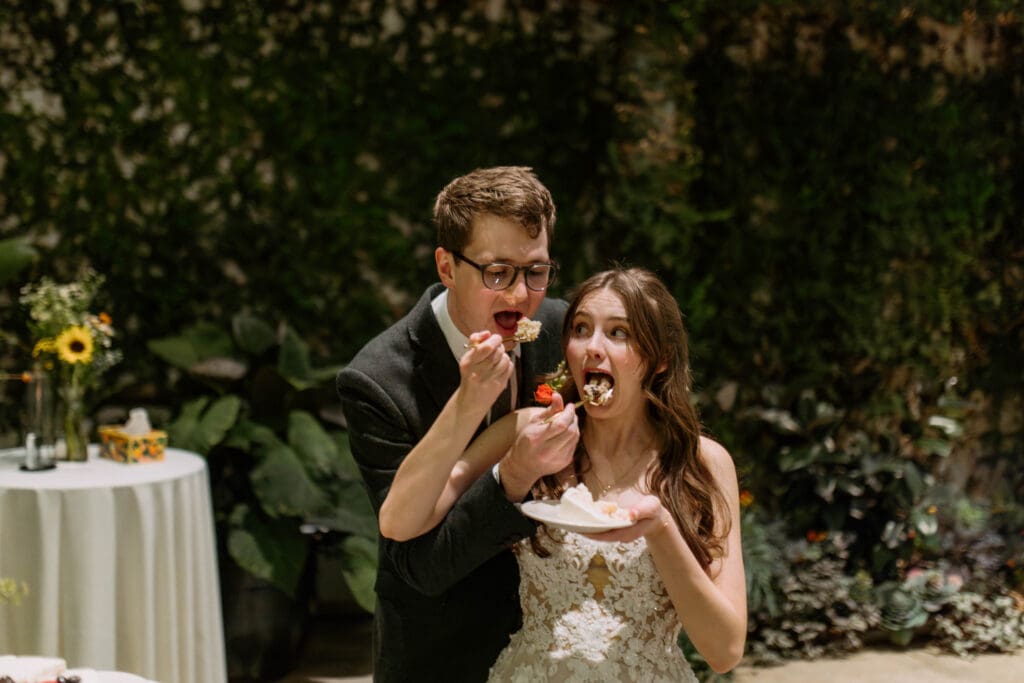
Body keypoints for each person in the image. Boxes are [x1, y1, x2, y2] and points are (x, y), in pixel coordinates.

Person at [380, 267, 747, 682]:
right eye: (581, 329)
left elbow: (725, 651)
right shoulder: (528, 432)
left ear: (659, 359)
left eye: (619, 333)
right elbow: (399, 520)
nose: (592, 347)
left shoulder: (702, 463)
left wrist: (662, 530)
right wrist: (473, 407)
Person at [337, 166, 579, 682]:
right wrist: (471, 404)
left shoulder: (563, 329)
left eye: (535, 271)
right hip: (440, 647)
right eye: (497, 273)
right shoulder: (377, 378)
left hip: (558, 640)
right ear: (447, 267)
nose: (519, 295)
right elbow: (415, 558)